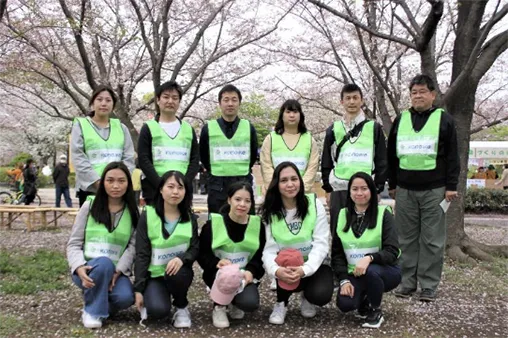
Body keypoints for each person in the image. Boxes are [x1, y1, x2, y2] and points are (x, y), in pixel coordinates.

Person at [387, 74, 459, 302]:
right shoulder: (401, 120)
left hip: (435, 190)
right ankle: (407, 282)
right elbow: (391, 155)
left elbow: (453, 155)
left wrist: (451, 186)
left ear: (433, 95)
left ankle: (428, 285)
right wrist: (392, 184)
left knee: (432, 239)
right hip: (405, 189)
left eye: (422, 92)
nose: (417, 96)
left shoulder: (444, 119)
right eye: (413, 92)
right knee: (405, 238)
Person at [66, 162, 139, 329]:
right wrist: (78, 267)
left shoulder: (133, 211)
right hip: (88, 270)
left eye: (121, 181)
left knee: (126, 297)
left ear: (128, 183)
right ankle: (92, 312)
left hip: (115, 272)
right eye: (110, 180)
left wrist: (119, 270)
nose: (115, 186)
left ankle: (94, 299)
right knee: (104, 263)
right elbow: (74, 243)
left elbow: (132, 247)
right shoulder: (89, 206)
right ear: (102, 182)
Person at [260, 162, 333, 325]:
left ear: (300, 181)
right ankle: (281, 303)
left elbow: (321, 244)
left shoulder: (314, 204)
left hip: (312, 264)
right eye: (284, 180)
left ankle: (307, 296)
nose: (290, 184)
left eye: (294, 179)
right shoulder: (271, 211)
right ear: (276, 185)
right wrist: (276, 271)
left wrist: (304, 269)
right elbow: (268, 250)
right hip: (285, 264)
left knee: (321, 294)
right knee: (288, 258)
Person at [332, 172, 401, 329]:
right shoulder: (342, 215)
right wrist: (344, 280)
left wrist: (370, 258)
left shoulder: (384, 214)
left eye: (364, 188)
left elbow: (392, 250)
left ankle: (375, 310)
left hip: (385, 270)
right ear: (349, 192)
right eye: (355, 189)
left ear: (372, 190)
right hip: (355, 273)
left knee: (372, 272)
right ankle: (364, 299)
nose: (359, 193)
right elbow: (337, 254)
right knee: (345, 304)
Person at [134, 170, 198, 328]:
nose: (175, 191)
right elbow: (142, 253)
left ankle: (181, 306)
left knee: (181, 273)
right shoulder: (148, 215)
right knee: (158, 311)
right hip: (155, 275)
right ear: (161, 189)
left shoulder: (190, 218)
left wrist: (181, 259)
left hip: (179, 273)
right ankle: (157, 295)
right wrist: (139, 289)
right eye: (170, 186)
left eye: (180, 187)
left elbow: (195, 247)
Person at [321, 83, 388, 234]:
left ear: (362, 100)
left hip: (365, 189)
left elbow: (382, 160)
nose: (352, 102)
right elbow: (326, 160)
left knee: (366, 231)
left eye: (355, 98)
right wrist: (327, 188)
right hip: (340, 188)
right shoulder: (333, 129)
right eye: (348, 98)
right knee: (338, 230)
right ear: (342, 102)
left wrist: (377, 188)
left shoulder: (374, 128)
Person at [198, 182, 265, 328]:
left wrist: (251, 271)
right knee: (224, 278)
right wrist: (215, 262)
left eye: (247, 201)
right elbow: (202, 254)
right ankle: (219, 306)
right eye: (238, 199)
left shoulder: (258, 225)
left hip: (243, 276)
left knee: (250, 303)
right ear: (229, 200)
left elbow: (260, 256)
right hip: (218, 275)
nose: (242, 204)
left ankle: (235, 302)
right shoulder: (213, 224)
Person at [71, 85, 135, 207]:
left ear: (113, 105)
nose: (104, 103)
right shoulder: (81, 125)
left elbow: (129, 157)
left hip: (118, 190)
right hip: (91, 189)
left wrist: (120, 182)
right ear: (92, 103)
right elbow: (78, 156)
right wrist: (98, 182)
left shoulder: (122, 128)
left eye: (108, 100)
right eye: (99, 100)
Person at [138, 81, 199, 205]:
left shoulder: (188, 129)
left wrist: (182, 185)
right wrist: (162, 185)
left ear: (179, 102)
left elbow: (194, 159)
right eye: (166, 97)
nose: (170, 101)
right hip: (154, 191)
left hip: (183, 192)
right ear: (158, 100)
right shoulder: (148, 128)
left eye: (175, 98)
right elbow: (144, 160)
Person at [199, 84, 258, 213]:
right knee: (217, 225)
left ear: (239, 103)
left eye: (234, 100)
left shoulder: (249, 128)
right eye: (226, 100)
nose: (230, 104)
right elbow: (203, 155)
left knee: (245, 225)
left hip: (243, 184)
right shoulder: (208, 128)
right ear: (220, 103)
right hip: (217, 186)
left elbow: (253, 155)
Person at [260, 99, 319, 194]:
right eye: (288, 112)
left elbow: (312, 167)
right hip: (275, 194)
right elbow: (266, 166)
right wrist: (277, 187)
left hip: (303, 194)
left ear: (300, 115)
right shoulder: (270, 138)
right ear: (282, 115)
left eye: (295, 112)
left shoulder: (310, 139)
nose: (292, 115)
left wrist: (300, 189)